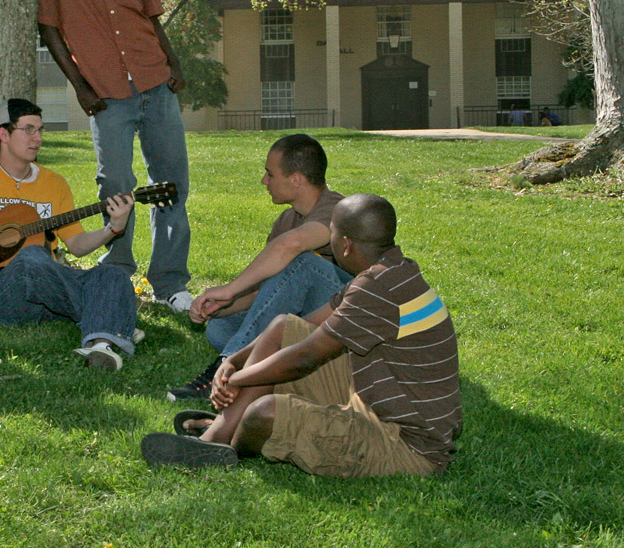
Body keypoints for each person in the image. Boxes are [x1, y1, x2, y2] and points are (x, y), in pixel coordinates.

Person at [141, 194, 462, 475]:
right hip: (372, 397)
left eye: (332, 233)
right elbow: (303, 329)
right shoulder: (390, 270)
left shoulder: (377, 289)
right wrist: (233, 363)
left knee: (263, 412)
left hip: (404, 444)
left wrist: (238, 380)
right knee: (283, 326)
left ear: (346, 244)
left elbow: (304, 358)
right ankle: (219, 434)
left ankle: (223, 444)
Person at [37, 0, 193, 314]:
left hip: (153, 78)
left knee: (172, 183)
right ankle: (118, 270)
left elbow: (150, 12)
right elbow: (49, 28)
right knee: (117, 182)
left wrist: (174, 63)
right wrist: (81, 87)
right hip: (105, 91)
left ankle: (169, 282)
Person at [0, 98, 140, 370]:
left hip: (50, 299)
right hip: (4, 299)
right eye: (29, 129)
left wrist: (113, 227)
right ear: (3, 134)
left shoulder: (54, 184)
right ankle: (110, 313)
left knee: (112, 273)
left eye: (40, 130)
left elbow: (76, 245)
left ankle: (101, 346)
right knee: (31, 257)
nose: (38, 138)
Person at [166, 134, 350, 401]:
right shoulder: (286, 219)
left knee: (304, 261)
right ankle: (274, 363)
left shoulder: (337, 208)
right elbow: (273, 287)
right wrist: (223, 305)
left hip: (343, 310)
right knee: (219, 328)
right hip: (302, 314)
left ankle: (226, 368)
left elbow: (293, 244)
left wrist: (230, 289)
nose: (264, 181)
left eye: (270, 174)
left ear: (296, 180)